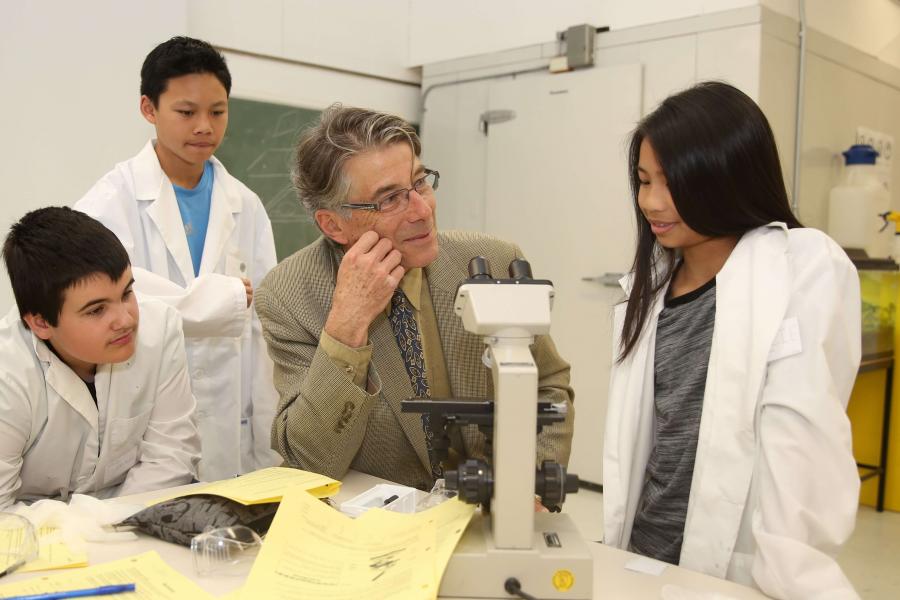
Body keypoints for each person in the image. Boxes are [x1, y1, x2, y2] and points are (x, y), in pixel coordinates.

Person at [603, 81, 861, 598]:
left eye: (671, 182)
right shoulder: (650, 290)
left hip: (742, 570)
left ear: (726, 178)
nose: (650, 201)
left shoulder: (802, 270)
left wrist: (793, 577)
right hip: (643, 553)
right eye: (643, 180)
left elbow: (802, 447)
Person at [254, 105, 574, 490]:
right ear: (334, 224)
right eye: (389, 199)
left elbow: (547, 386)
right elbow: (311, 462)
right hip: (377, 525)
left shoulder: (494, 260)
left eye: (420, 183)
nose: (423, 211)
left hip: (490, 512)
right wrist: (346, 328)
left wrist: (528, 484)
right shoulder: (290, 296)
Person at [75, 36, 279, 481]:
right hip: (143, 428)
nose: (204, 126)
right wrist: (218, 301)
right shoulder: (108, 204)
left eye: (218, 111)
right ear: (149, 109)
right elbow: (106, 307)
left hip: (231, 433)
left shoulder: (245, 205)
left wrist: (267, 447)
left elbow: (264, 329)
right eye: (186, 113)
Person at [0, 207, 200, 509]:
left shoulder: (161, 329)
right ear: (40, 323)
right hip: (37, 540)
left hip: (136, 519)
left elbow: (171, 458)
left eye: (127, 292)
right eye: (96, 310)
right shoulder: (8, 372)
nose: (126, 319)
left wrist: (109, 525)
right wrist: (84, 527)